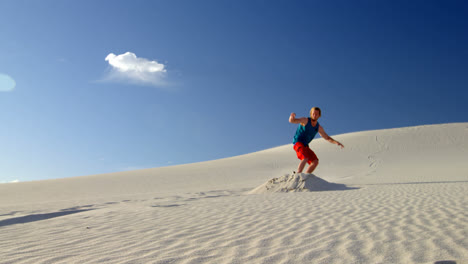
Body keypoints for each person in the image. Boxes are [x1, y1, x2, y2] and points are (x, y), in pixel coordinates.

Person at [289, 107, 344, 174]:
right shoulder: (305, 120)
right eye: (313, 114)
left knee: (315, 162)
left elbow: (327, 137)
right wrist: (292, 117)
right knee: (305, 157)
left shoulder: (318, 127)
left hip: (305, 145)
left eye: (316, 114)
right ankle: (298, 175)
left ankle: (306, 177)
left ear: (319, 115)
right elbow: (293, 121)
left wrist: (336, 142)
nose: (314, 115)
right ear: (311, 114)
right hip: (298, 142)